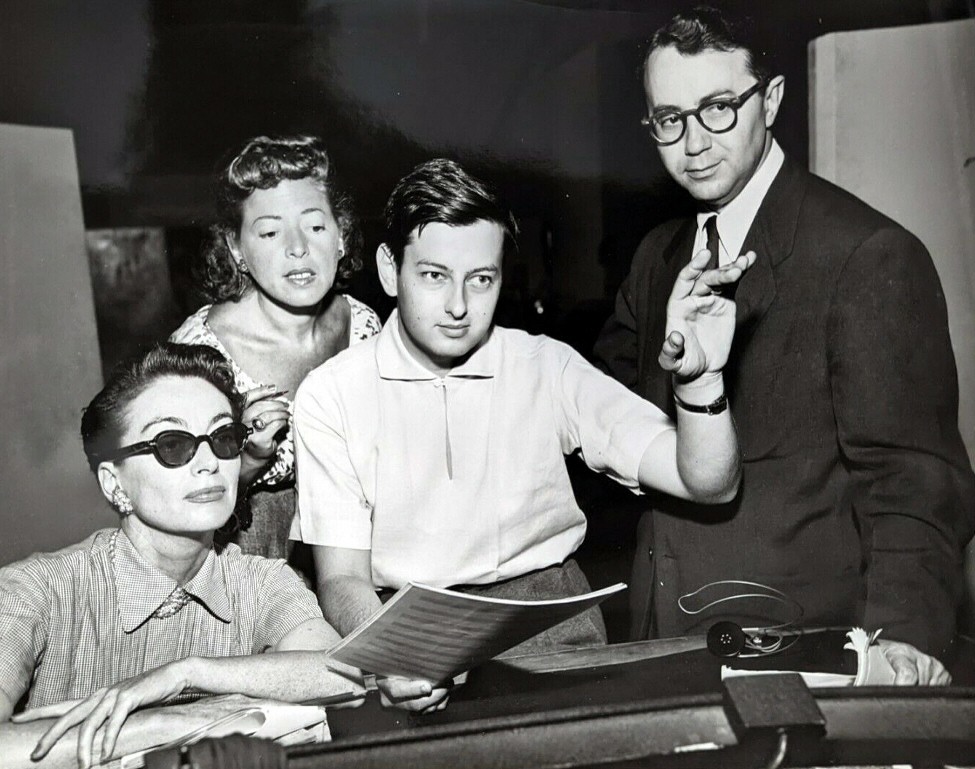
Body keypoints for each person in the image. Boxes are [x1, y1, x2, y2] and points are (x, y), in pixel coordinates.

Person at [593, 6, 975, 685]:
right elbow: (604, 416)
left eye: (717, 108)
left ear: (768, 100)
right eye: (669, 119)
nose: (693, 142)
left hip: (813, 657)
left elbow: (912, 483)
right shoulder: (658, 257)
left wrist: (905, 646)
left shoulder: (866, 253)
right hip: (665, 648)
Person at [290, 158, 755, 711]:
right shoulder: (330, 393)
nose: (460, 306)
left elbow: (708, 483)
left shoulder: (547, 366)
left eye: (480, 279)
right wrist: (399, 655)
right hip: (405, 630)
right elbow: (342, 579)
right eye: (434, 276)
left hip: (552, 634)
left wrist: (701, 380)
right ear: (390, 270)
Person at [0, 344, 363, 768]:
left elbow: (345, 676)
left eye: (224, 438)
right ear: (114, 483)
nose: (209, 463)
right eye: (171, 445)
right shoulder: (35, 590)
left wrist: (186, 673)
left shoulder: (262, 582)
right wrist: (164, 725)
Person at [170, 135, 381, 561]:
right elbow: (177, 510)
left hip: (359, 541)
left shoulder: (364, 325)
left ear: (341, 235)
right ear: (236, 248)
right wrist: (249, 457)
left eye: (316, 226)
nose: (298, 248)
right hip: (247, 552)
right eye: (269, 231)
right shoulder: (199, 355)